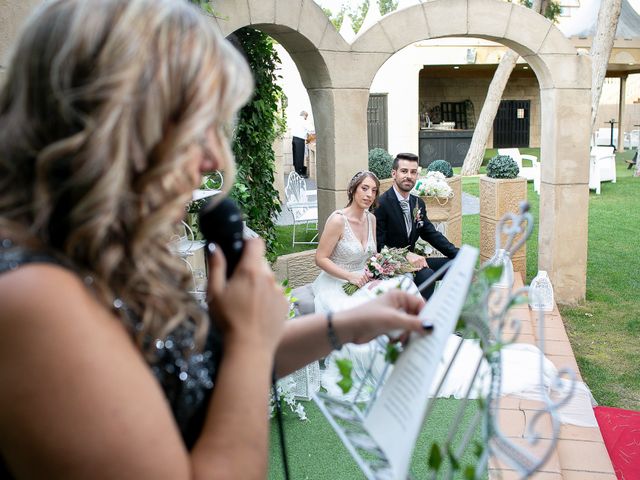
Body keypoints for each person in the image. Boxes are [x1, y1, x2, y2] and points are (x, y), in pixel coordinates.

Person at [0, 1, 429, 478]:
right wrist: (247, 338)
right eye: (192, 127)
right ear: (103, 124)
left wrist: (351, 325)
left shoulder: (107, 251)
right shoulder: (31, 299)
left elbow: (205, 367)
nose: (211, 159)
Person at [312, 171, 422, 400]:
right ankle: (384, 371)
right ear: (353, 189)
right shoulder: (337, 220)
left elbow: (371, 256)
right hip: (336, 285)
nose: (369, 194)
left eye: (373, 191)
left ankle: (411, 357)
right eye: (365, 188)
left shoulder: (371, 219)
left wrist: (379, 270)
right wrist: (350, 277)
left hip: (365, 281)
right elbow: (320, 259)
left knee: (403, 289)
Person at [375, 153, 459, 300]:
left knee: (457, 265)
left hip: (414, 262)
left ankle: (446, 308)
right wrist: (405, 255)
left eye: (413, 172)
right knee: (427, 275)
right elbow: (378, 246)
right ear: (394, 174)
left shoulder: (417, 203)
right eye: (404, 171)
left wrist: (459, 254)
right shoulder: (381, 204)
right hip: (391, 264)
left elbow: (431, 234)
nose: (409, 176)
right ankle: (419, 317)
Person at [291, 110, 311, 177]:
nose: (306, 118)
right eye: (306, 117)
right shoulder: (304, 121)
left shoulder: (296, 121)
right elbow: (311, 130)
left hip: (294, 139)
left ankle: (296, 171)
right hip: (300, 140)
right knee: (299, 156)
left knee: (295, 156)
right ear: (304, 116)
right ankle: (300, 173)